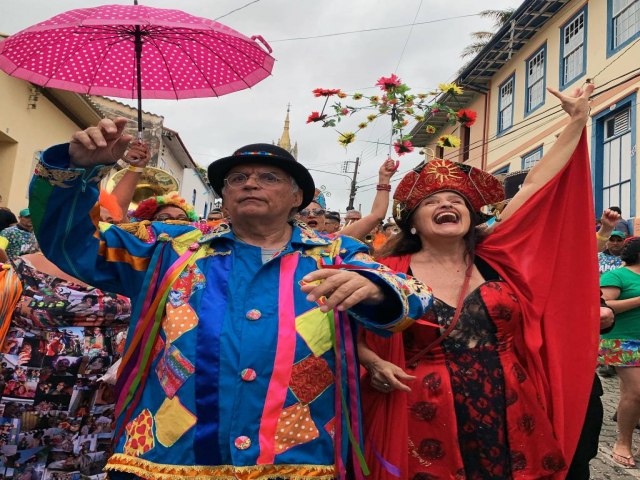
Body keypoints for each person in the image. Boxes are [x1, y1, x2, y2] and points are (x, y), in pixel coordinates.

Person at [29, 118, 431, 480]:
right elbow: (73, 244)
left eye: (269, 177)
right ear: (223, 196)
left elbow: (412, 295)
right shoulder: (169, 248)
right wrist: (74, 169)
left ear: (297, 199)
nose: (250, 183)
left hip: (298, 457)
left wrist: (376, 290)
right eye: (237, 178)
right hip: (168, 455)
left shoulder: (335, 254)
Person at [358, 83, 598, 478]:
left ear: (472, 216)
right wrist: (373, 363)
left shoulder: (497, 257)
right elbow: (351, 336)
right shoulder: (387, 271)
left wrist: (577, 121)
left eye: (456, 200)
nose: (446, 204)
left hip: (513, 406)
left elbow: (536, 185)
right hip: (425, 414)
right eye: (432, 202)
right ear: (413, 222)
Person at [599, 237, 640, 467]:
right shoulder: (617, 275)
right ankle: (622, 442)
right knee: (636, 392)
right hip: (623, 341)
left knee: (633, 394)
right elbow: (604, 304)